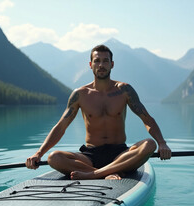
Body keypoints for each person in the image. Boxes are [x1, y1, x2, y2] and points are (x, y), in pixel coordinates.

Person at [26, 44, 171, 180]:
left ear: (112, 64)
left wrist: (162, 143)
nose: (101, 65)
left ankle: (95, 174)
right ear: (90, 65)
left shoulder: (124, 90)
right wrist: (39, 153)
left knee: (150, 144)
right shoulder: (80, 94)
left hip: (120, 154)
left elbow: (147, 119)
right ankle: (108, 172)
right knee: (53, 158)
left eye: (105, 61)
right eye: (97, 61)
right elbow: (60, 127)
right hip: (90, 156)